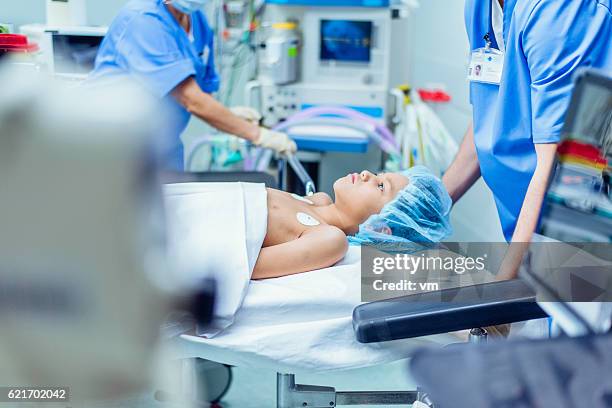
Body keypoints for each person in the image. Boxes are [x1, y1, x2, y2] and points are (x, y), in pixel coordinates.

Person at [443, 0, 611, 276]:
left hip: (579, 235)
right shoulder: (480, 7)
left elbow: (556, 163)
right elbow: (493, 115)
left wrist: (502, 290)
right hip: (529, 238)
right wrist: (427, 205)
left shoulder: (560, 11)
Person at [89, 0, 296, 170]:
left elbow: (200, 93)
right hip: (116, 147)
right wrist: (259, 135)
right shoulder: (143, 19)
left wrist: (228, 115)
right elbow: (192, 99)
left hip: (162, 146)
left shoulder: (196, 20)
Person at [253, 166, 452, 279]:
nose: (366, 174)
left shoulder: (330, 240)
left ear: (381, 228)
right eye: (378, 174)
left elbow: (244, 265)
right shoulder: (320, 200)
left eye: (381, 186)